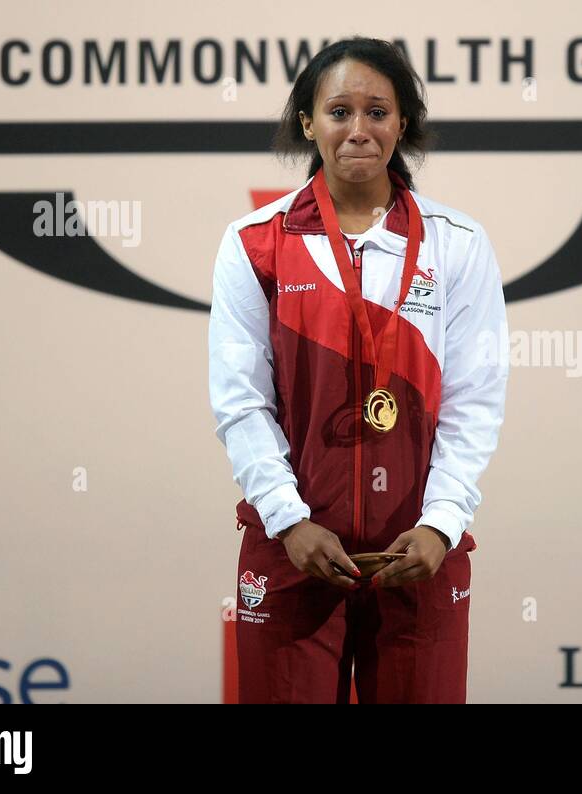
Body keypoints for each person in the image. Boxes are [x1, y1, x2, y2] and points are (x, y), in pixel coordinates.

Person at [208, 37, 509, 703]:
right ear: (308, 123)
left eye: (378, 111)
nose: (359, 130)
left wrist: (442, 522)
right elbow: (240, 404)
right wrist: (288, 521)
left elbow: (475, 399)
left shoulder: (456, 243)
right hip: (294, 553)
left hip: (419, 556)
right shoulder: (254, 244)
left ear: (403, 124)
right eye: (338, 111)